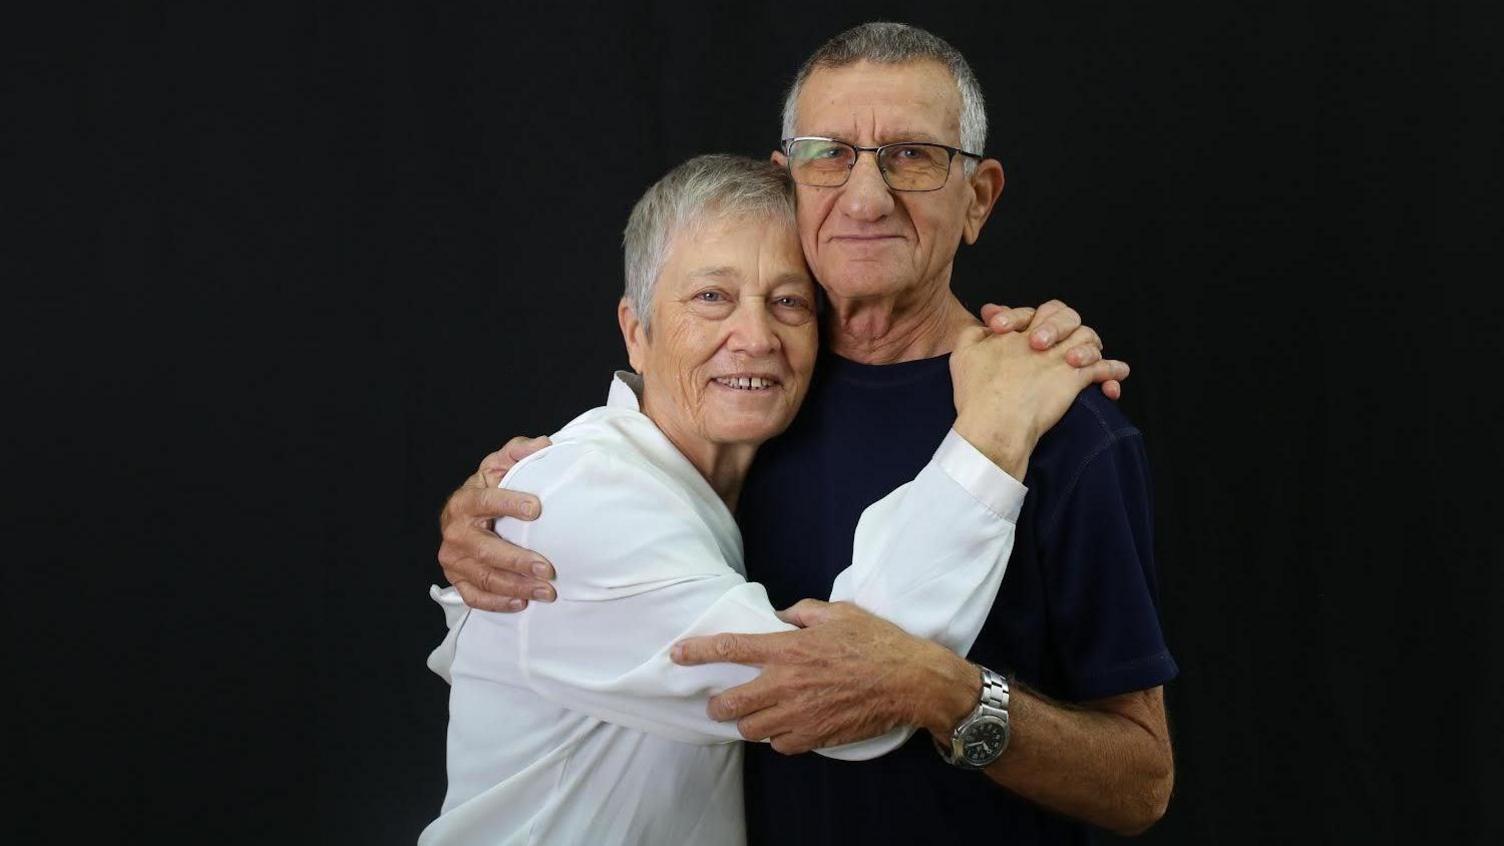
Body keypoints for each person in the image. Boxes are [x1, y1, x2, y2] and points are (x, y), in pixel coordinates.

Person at [438, 22, 1176, 843]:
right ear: (792, 184)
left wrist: (955, 694)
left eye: (913, 155)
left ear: (979, 197)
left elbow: (1140, 782)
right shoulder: (750, 406)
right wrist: (487, 508)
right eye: (832, 153)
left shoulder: (1068, 432)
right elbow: (607, 492)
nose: (866, 198)